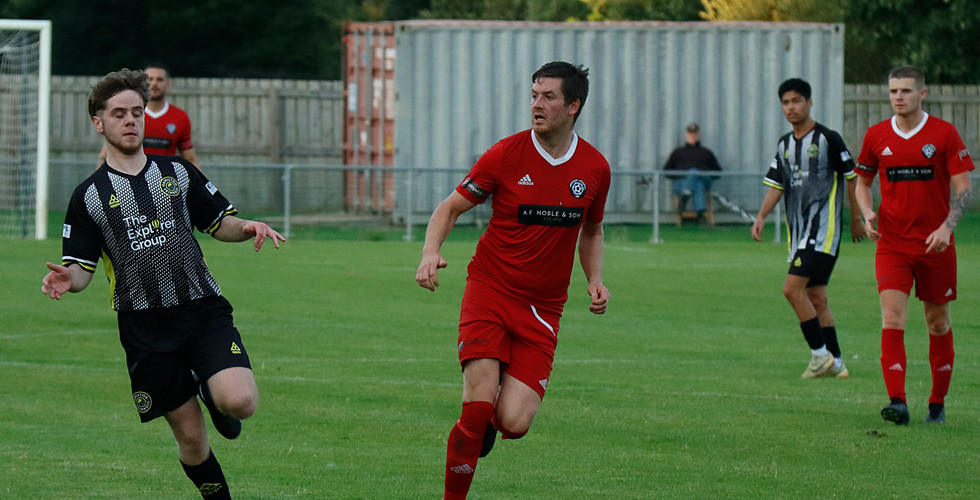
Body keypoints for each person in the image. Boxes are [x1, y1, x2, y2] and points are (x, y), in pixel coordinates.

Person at [42, 69, 285, 499]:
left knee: (239, 403)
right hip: (144, 328)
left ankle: (209, 387)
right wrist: (68, 278)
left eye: (137, 112)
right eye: (119, 114)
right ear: (99, 122)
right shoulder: (88, 196)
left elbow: (219, 224)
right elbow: (81, 270)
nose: (130, 120)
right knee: (192, 440)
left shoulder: (177, 172)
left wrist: (246, 226)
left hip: (200, 309)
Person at [415, 61, 610, 500]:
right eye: (534, 95)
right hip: (490, 290)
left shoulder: (595, 168)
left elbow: (592, 230)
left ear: (573, 106)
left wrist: (595, 278)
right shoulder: (505, 154)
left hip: (543, 308)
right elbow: (449, 208)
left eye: (548, 97)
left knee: (514, 422)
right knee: (478, 403)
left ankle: (487, 422)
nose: (536, 104)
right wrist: (430, 251)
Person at [854, 65, 974, 425]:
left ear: (922, 93)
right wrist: (867, 212)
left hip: (936, 247)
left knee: (937, 322)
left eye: (905, 91)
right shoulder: (876, 136)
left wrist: (947, 228)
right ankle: (898, 402)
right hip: (892, 244)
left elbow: (964, 190)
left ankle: (937, 404)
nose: (898, 97)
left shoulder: (944, 134)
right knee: (892, 317)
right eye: (893, 91)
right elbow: (862, 183)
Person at [751, 78, 865, 380]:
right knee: (816, 296)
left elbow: (852, 178)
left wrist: (856, 219)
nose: (791, 107)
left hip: (823, 231)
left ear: (809, 102)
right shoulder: (784, 145)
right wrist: (761, 216)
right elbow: (777, 185)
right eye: (786, 102)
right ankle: (836, 362)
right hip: (799, 234)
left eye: (797, 101)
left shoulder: (828, 138)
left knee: (791, 289)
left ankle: (819, 355)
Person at [98, 63, 200, 168]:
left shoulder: (180, 117)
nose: (154, 83)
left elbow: (190, 159)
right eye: (150, 79)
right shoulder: (127, 116)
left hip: (165, 177)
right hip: (130, 175)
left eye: (159, 79)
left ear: (168, 84)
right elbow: (105, 156)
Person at [663, 122, 722, 217]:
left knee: (694, 173)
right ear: (686, 135)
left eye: (695, 134)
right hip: (681, 182)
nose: (692, 136)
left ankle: (685, 198)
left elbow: (718, 172)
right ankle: (700, 211)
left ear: (698, 134)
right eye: (690, 134)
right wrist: (683, 176)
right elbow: (666, 171)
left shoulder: (706, 152)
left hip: (704, 180)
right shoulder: (678, 152)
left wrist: (702, 174)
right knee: (698, 183)